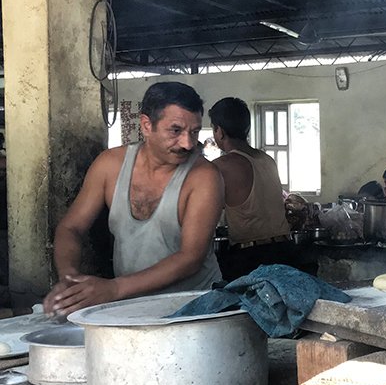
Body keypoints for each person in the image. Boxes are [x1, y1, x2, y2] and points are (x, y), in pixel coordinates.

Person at [43, 82, 224, 316]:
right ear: (147, 125)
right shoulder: (109, 166)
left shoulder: (204, 177)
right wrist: (69, 280)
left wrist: (113, 288)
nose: (188, 143)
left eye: (195, 132)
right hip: (131, 306)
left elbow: (190, 258)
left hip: (195, 307)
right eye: (176, 130)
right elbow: (71, 227)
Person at [209, 97, 293, 280]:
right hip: (285, 251)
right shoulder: (267, 160)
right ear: (247, 128)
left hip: (251, 258)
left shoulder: (221, 166)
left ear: (219, 132)